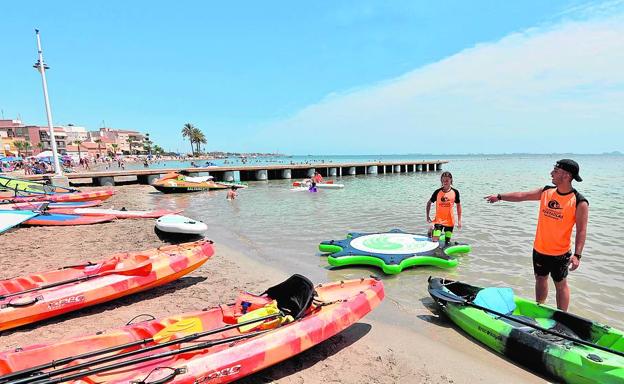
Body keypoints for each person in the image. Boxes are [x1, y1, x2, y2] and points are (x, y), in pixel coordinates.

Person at [484, 159, 589, 311]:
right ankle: (540, 309)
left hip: (560, 253)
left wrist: (577, 255)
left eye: (555, 171)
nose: (551, 173)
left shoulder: (579, 201)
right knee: (540, 279)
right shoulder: (546, 191)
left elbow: (581, 230)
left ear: (566, 175)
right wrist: (500, 196)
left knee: (561, 284)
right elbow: (522, 195)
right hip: (539, 249)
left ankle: (562, 317)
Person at [426, 171, 462, 245]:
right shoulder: (437, 192)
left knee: (447, 242)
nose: (445, 182)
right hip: (438, 220)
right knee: (434, 241)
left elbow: (458, 206)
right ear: (441, 181)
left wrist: (459, 221)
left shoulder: (455, 192)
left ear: (451, 180)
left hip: (450, 221)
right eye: (443, 180)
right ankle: (431, 230)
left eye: (447, 180)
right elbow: (429, 203)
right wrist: (427, 216)